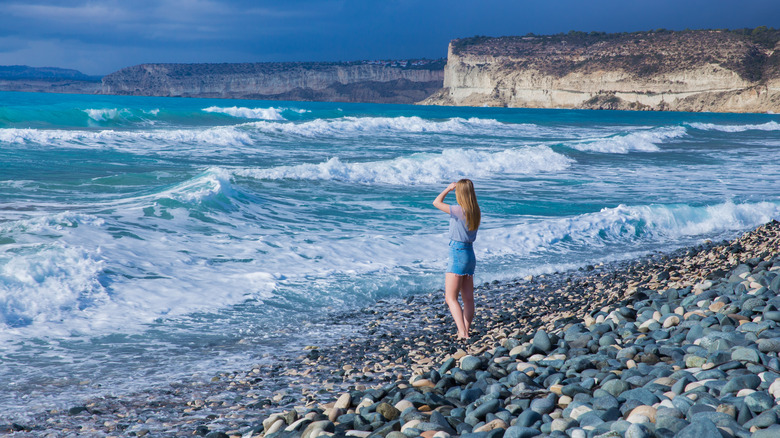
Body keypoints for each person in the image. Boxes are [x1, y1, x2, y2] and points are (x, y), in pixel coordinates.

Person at [433, 179, 481, 340]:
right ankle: (465, 330)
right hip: (469, 253)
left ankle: (462, 333)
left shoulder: (459, 210)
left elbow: (436, 202)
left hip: (458, 252)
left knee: (450, 298)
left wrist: (447, 188)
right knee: (468, 298)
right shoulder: (476, 211)